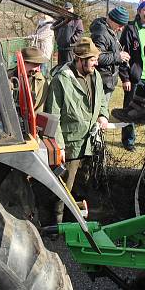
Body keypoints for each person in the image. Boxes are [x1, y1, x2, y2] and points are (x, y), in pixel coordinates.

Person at [44, 37, 109, 224]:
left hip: (89, 143)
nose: (96, 62)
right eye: (92, 59)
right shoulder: (61, 80)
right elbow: (53, 114)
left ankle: (76, 223)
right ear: (79, 59)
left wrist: (103, 115)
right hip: (70, 145)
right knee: (64, 186)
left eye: (96, 58)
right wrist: (59, 146)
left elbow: (102, 99)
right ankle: (55, 226)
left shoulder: (95, 75)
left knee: (82, 185)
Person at [119, 0, 145, 149]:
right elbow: (123, 54)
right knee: (130, 109)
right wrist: (125, 77)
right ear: (139, 11)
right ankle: (128, 141)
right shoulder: (130, 29)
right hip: (135, 77)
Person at [89, 6, 130, 106]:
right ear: (112, 20)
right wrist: (118, 57)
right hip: (102, 81)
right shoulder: (101, 33)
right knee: (99, 112)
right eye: (120, 25)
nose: (121, 29)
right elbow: (97, 57)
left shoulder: (111, 31)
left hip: (108, 81)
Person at [8, 46, 49, 112]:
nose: (37, 69)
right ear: (23, 63)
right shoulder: (8, 78)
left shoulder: (41, 81)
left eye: (39, 65)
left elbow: (39, 109)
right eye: (34, 64)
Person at [54, 2, 84, 66]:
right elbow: (55, 29)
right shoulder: (60, 19)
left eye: (69, 9)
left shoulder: (77, 20)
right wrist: (57, 38)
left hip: (70, 49)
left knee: (70, 68)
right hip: (60, 48)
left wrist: (72, 40)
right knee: (60, 67)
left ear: (72, 9)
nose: (67, 10)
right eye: (66, 9)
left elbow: (80, 31)